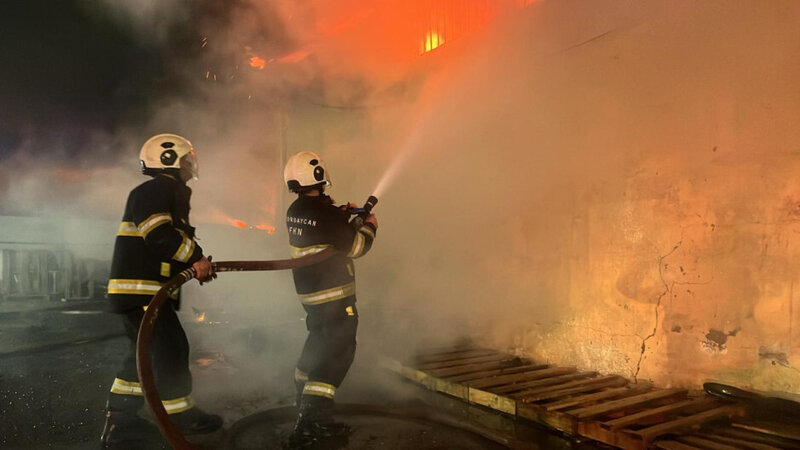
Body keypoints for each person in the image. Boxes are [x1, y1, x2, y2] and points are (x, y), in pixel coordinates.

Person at [100, 133, 222, 447]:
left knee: (139, 355)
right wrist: (196, 259)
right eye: (186, 159)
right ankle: (180, 417)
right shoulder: (157, 189)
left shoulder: (161, 191)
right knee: (171, 349)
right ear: (168, 160)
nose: (190, 165)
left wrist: (193, 267)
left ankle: (120, 422)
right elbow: (158, 235)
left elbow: (163, 244)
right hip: (143, 291)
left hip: (144, 290)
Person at [283, 151, 378, 444]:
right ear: (319, 175)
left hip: (311, 297)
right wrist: (370, 225)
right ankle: (314, 421)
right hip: (336, 297)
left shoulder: (296, 210)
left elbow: (325, 234)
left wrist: (345, 216)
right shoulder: (326, 214)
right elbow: (357, 247)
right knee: (338, 352)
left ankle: (302, 402)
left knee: (318, 340)